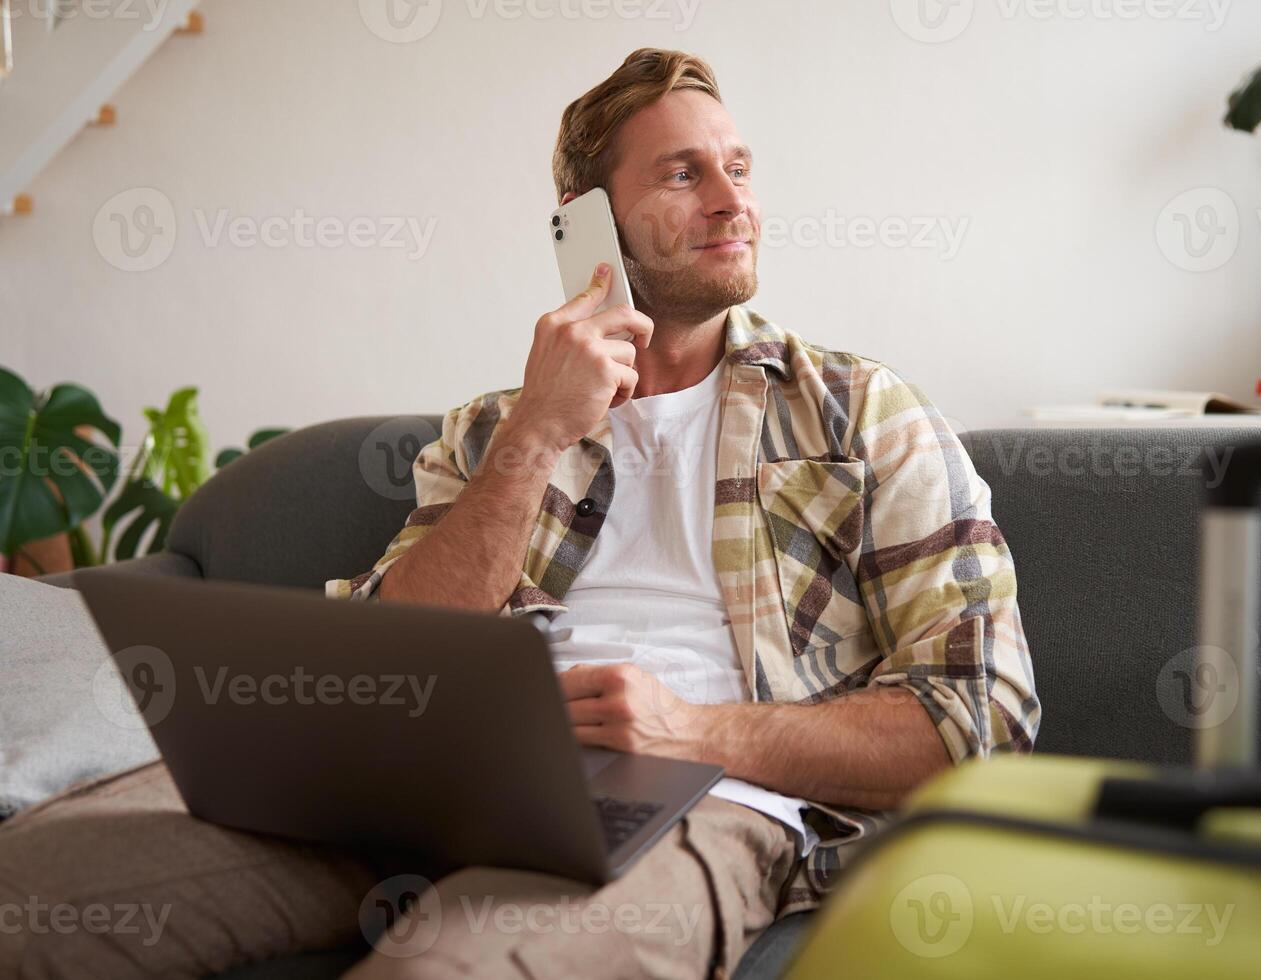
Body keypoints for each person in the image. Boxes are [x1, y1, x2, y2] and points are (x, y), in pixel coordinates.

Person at [0, 48, 1039, 980]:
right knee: (33, 886)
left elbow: (979, 716)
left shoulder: (863, 412)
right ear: (586, 220)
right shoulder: (491, 431)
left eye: (740, 165)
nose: (733, 200)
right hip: (419, 786)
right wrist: (538, 433)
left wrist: (695, 730)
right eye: (684, 172)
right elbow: (388, 655)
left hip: (696, 798)